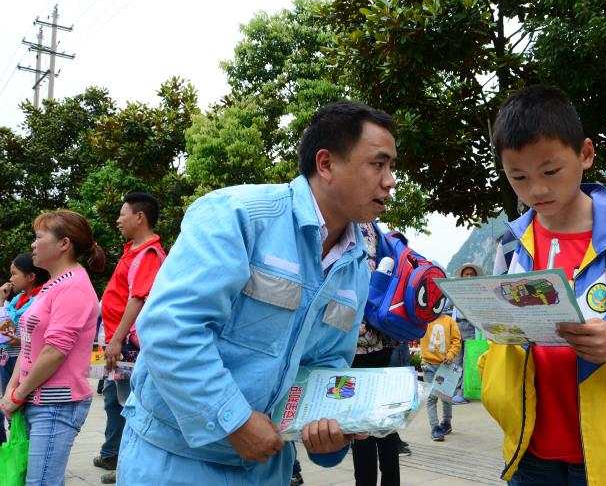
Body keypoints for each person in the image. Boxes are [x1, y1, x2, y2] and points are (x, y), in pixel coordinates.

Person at [116, 101, 397, 485]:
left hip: (268, 466)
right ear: (326, 164)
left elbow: (328, 361)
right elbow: (170, 329)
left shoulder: (355, 265)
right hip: (175, 459)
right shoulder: (238, 216)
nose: (389, 181)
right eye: (378, 164)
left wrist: (330, 430)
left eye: (391, 167)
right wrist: (234, 420)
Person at [479, 85, 606, 485]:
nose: (536, 190)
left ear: (586, 154)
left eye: (551, 171)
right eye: (518, 176)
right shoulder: (510, 247)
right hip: (528, 453)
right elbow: (496, 332)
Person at [0, 210, 105, 485]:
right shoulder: (52, 285)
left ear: (63, 244)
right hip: (37, 399)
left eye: (39, 237)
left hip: (56, 404)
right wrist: (13, 388)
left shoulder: (74, 287)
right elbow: (29, 347)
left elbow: (54, 351)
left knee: (42, 482)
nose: (33, 244)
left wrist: (18, 393)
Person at [94, 192, 166, 484]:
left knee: (132, 406)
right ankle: (120, 458)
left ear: (139, 217)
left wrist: (116, 340)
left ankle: (130, 466)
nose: (118, 219)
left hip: (126, 344)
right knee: (116, 402)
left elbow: (137, 298)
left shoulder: (149, 253)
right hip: (114, 341)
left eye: (122, 214)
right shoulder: (133, 250)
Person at [349, 221, 402, 486]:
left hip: (358, 344)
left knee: (363, 429)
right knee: (384, 423)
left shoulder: (349, 227)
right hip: (383, 338)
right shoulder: (377, 232)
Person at [0, 253, 49, 443]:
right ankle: (16, 444)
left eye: (14, 274)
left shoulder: (37, 301)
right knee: (9, 404)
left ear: (30, 277)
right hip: (8, 358)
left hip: (23, 359)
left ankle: (23, 445)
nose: (10, 279)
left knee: (20, 405)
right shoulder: (16, 300)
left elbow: (11, 334)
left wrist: (1, 304)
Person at [421, 310, 461, 442]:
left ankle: (446, 422)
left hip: (445, 366)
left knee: (446, 396)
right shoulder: (424, 319)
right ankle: (435, 427)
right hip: (429, 365)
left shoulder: (449, 321)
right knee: (431, 398)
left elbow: (456, 340)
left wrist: (450, 355)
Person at [451, 263, 482, 404]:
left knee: (467, 360)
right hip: (457, 326)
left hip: (471, 326)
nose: (468, 276)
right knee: (456, 360)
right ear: (462, 276)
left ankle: (464, 392)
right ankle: (454, 390)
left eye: (471, 274)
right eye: (466, 274)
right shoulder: (456, 290)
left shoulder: (478, 291)